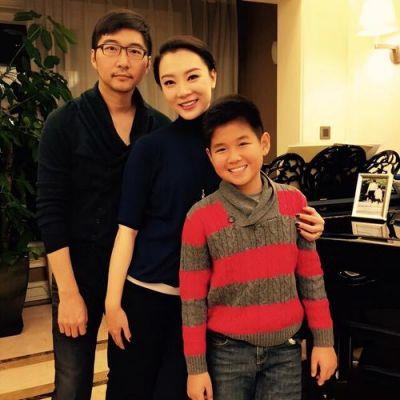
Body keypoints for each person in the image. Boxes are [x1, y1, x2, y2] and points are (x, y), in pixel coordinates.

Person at [105, 35, 326, 400]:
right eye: (169, 82)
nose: (183, 91)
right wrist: (113, 304)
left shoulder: (233, 141)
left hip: (207, 310)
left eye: (192, 76)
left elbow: (267, 203)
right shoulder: (150, 148)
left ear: (212, 75)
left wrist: (311, 220)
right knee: (131, 390)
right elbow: (126, 232)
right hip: (149, 297)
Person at [36, 9, 170, 400]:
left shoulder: (159, 129)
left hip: (136, 278)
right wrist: (68, 294)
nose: (123, 60)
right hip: (77, 273)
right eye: (111, 48)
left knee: (130, 380)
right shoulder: (63, 122)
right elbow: (50, 211)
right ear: (94, 57)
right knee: (71, 383)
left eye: (134, 51)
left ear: (147, 63)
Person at [180, 95, 337, 400]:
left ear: (264, 143)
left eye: (243, 143)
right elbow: (192, 300)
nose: (234, 157)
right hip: (227, 354)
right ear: (209, 156)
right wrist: (196, 369)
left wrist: (324, 341)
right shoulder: (199, 217)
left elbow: (311, 279)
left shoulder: (294, 202)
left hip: (285, 352)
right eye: (221, 149)